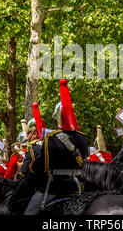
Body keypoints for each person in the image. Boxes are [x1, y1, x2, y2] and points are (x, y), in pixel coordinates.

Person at [23, 79, 88, 215]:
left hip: (55, 188)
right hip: (78, 187)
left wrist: (31, 167)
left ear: (56, 118)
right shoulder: (82, 138)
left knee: (28, 213)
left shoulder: (52, 139)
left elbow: (39, 168)